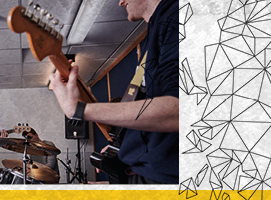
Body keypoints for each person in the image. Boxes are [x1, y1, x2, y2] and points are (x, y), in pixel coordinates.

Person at [49, 0, 178, 184]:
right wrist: (121, 147)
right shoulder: (156, 29)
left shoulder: (177, 17)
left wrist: (78, 110)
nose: (120, 2)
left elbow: (181, 110)